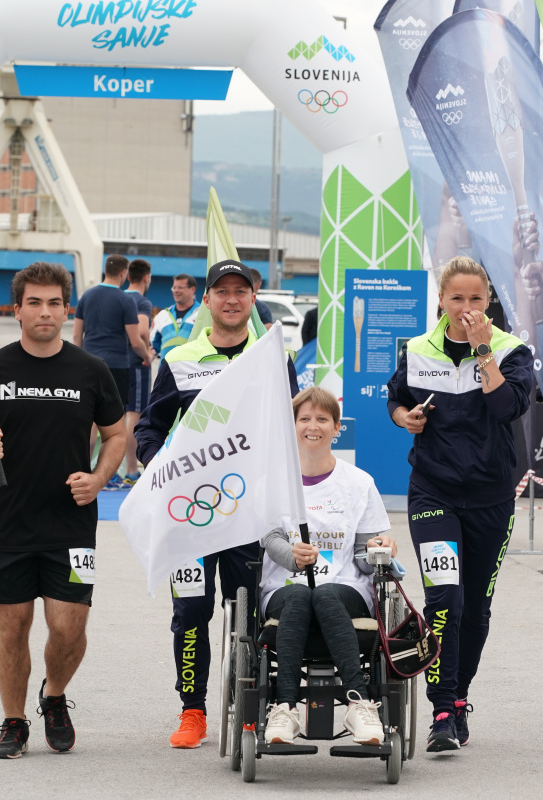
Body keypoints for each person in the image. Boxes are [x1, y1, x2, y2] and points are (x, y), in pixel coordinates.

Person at [0, 262, 127, 759]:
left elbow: (117, 435)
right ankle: (14, 721)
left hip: (71, 523)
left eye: (54, 303)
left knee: (69, 626)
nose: (44, 312)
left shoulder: (91, 370)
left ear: (67, 311)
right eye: (34, 303)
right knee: (12, 628)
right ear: (17, 310)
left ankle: (54, 696)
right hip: (4, 522)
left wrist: (98, 478)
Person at [135, 259, 299, 748]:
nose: (231, 299)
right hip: (192, 517)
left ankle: (251, 706)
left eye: (240, 291)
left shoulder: (274, 359)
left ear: (253, 299)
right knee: (190, 613)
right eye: (221, 291)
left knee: (250, 615)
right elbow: (149, 428)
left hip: (250, 517)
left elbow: (292, 430)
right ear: (206, 300)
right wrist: (157, 468)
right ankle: (193, 710)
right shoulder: (180, 359)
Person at [386, 255, 533, 753]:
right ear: (441, 301)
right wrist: (404, 417)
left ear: (488, 301)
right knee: (444, 597)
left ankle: (460, 694)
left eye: (475, 298)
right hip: (434, 492)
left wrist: (482, 351)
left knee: (475, 608)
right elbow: (395, 399)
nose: (466, 307)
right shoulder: (417, 349)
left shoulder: (511, 350)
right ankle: (442, 710)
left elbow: (508, 408)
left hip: (492, 496)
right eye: (457, 298)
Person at [259, 388, 394, 746]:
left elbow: (364, 557)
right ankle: (285, 708)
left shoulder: (359, 483)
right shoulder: (274, 482)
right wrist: (293, 556)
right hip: (285, 589)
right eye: (304, 418)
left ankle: (358, 705)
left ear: (336, 428)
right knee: (301, 594)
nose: (312, 426)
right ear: (292, 426)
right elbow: (270, 537)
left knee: (323, 593)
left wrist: (378, 548)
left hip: (345, 590)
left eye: (322, 419)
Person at [73, 255, 151, 489]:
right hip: (116, 366)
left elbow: (77, 335)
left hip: (88, 363)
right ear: (123, 273)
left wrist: (79, 360)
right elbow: (135, 340)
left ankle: (82, 471)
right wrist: (147, 356)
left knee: (89, 421)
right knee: (113, 426)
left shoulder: (86, 296)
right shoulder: (125, 300)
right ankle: (109, 475)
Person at [123, 259, 155, 484]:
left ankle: (106, 469)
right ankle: (132, 471)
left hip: (114, 362)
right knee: (134, 417)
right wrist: (147, 353)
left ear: (127, 276)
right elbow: (142, 331)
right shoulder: (141, 302)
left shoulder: (117, 297)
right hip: (135, 363)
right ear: (146, 278)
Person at [151, 273, 201, 359]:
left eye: (180, 287)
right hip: (166, 367)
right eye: (174, 288)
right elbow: (154, 346)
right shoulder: (163, 315)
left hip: (193, 366)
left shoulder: (203, 314)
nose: (176, 291)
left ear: (192, 289)